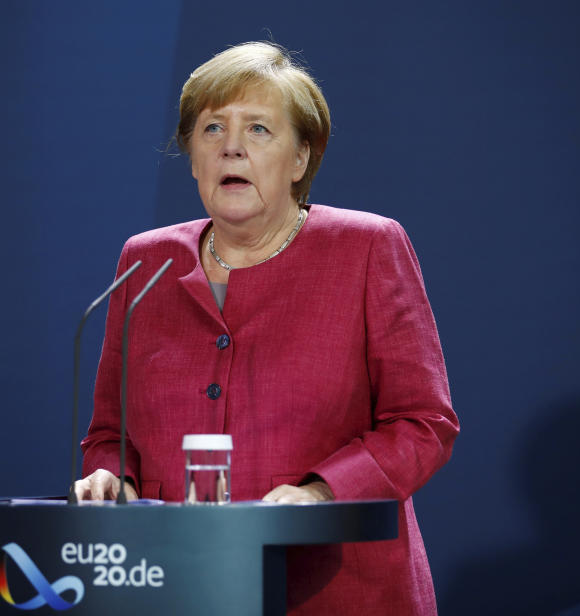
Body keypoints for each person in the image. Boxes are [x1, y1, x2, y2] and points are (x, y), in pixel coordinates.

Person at [74, 41, 459, 615]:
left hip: (337, 589)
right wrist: (112, 479)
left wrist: (322, 492)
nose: (231, 147)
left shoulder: (367, 248)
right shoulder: (144, 263)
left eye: (258, 130)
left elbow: (424, 423)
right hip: (178, 586)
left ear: (301, 158)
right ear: (193, 154)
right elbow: (111, 433)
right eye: (211, 130)